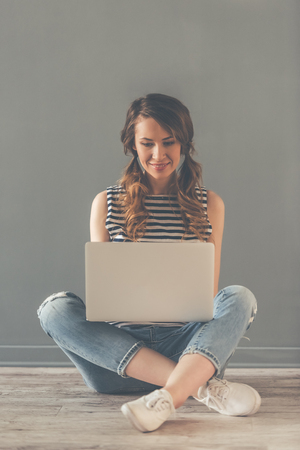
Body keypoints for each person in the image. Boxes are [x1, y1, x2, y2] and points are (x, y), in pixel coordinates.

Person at [37, 93, 261, 433]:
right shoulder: (107, 202)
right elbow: (105, 292)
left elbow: (208, 296)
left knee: (239, 296)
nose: (159, 155)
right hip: (119, 360)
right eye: (147, 143)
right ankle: (199, 389)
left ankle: (167, 397)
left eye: (169, 143)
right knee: (53, 309)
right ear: (132, 145)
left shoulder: (209, 204)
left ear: (184, 143)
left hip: (188, 348)